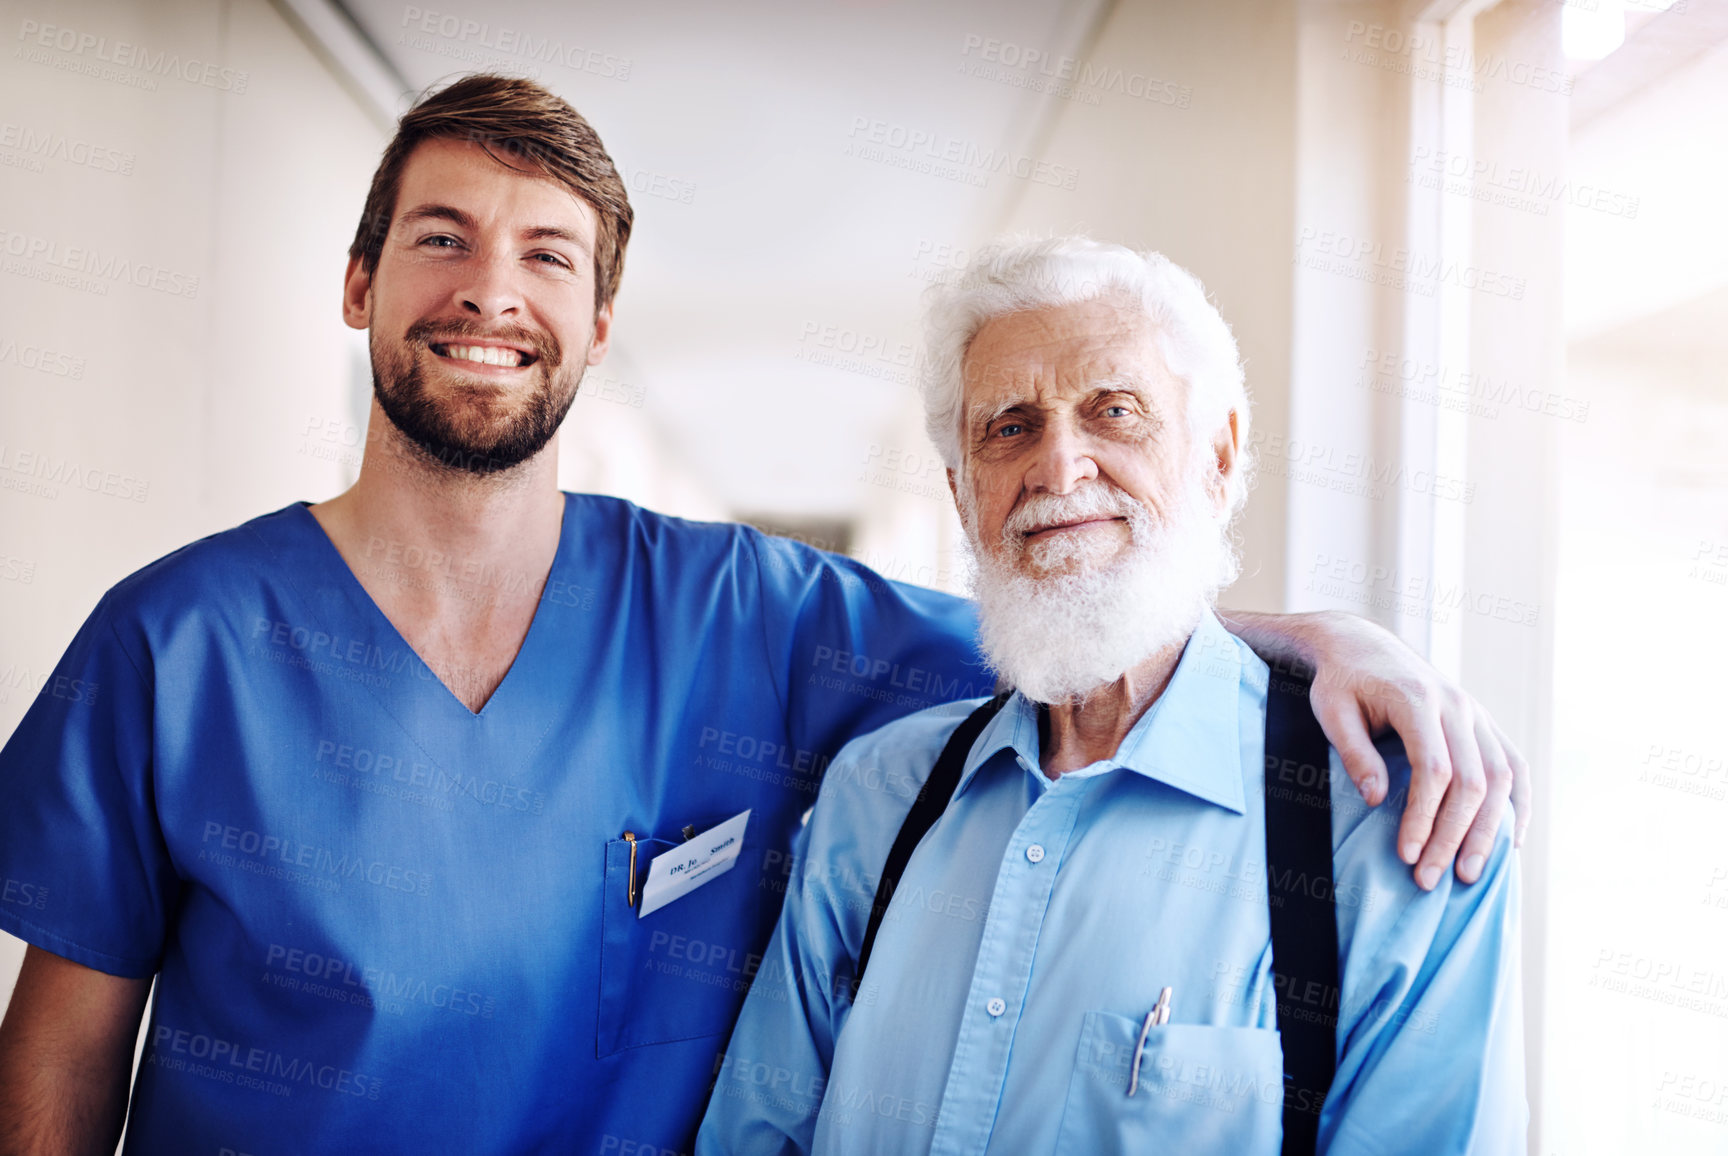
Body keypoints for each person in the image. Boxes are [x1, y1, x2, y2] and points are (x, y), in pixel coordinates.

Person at [0, 77, 1523, 1155]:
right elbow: (60, 1060)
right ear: (358, 284)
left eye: (547, 256)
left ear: (600, 322)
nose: (488, 292)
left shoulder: (747, 617)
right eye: (440, 238)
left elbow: (1067, 615)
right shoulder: (170, 644)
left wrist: (1311, 632)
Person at [697, 237, 1526, 1155]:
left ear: (1219, 455)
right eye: (1009, 426)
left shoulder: (1393, 825)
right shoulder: (877, 795)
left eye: (1116, 412)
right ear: (963, 493)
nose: (1059, 468)